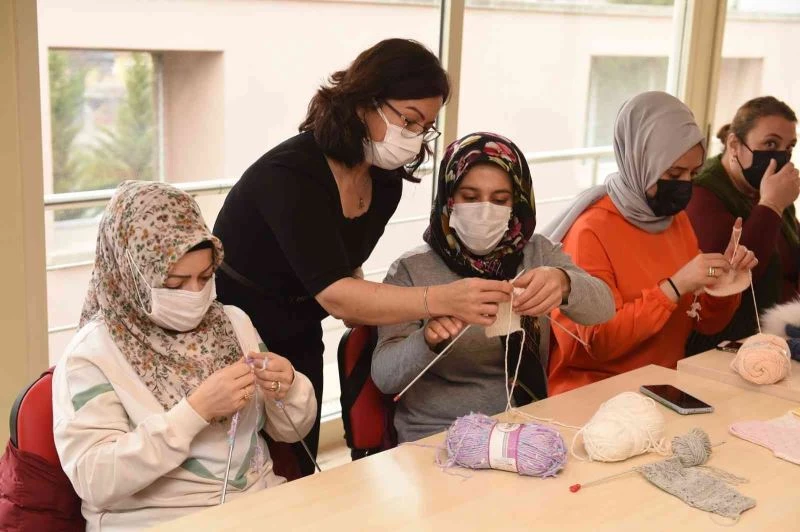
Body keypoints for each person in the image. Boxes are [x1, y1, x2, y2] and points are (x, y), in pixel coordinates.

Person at [212, 39, 511, 472]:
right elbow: (335, 295)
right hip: (236, 327)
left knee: (297, 454)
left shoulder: (383, 180)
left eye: (424, 126)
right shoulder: (290, 176)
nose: (413, 137)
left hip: (300, 322)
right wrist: (445, 298)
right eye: (408, 120)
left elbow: (339, 259)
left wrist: (364, 294)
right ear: (362, 102)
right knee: (241, 463)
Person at [52, 181, 316, 531]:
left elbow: (287, 432)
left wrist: (290, 389)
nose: (194, 294)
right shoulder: (91, 356)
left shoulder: (233, 323)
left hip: (260, 506)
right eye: (175, 283)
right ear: (133, 274)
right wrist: (196, 411)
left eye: (205, 277)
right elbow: (95, 479)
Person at [371, 132, 615, 443]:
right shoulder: (411, 270)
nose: (485, 211)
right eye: (470, 197)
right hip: (441, 435)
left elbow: (604, 308)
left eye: (500, 200)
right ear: (448, 198)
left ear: (517, 203)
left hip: (528, 424)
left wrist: (564, 283)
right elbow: (385, 377)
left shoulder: (537, 252)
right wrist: (427, 340)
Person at [540, 91, 759, 395]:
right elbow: (597, 343)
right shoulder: (591, 229)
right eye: (673, 173)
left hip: (663, 389)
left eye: (692, 174)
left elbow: (702, 322)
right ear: (639, 159)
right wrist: (673, 287)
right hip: (592, 397)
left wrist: (722, 281)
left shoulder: (674, 220)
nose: (684, 185)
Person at [685, 96, 800, 354]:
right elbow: (734, 275)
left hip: (777, 334)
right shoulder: (702, 194)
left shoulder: (769, 189)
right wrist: (771, 205)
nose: (781, 157)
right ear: (734, 144)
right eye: (770, 143)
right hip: (724, 345)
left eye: (789, 147)